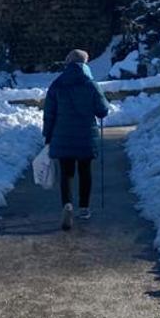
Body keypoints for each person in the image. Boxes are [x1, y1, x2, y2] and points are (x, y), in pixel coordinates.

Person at [42, 49, 110, 230]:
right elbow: (102, 110)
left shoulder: (57, 84)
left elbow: (49, 113)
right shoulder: (91, 84)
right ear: (85, 63)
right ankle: (84, 208)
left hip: (62, 135)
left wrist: (47, 135)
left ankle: (67, 204)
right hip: (86, 136)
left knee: (66, 173)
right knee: (85, 171)